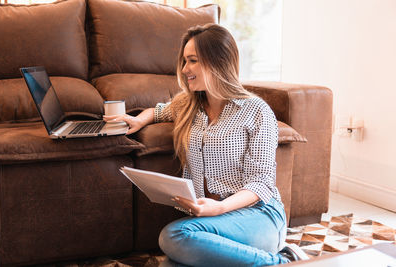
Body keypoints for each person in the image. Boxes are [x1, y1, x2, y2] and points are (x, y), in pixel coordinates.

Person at [104, 23, 308, 266]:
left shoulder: (257, 111)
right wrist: (138, 119)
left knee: (174, 236)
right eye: (183, 61)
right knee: (172, 263)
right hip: (213, 223)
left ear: (217, 62)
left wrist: (218, 209)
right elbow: (159, 112)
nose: (184, 69)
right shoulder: (188, 104)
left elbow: (261, 183)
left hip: (259, 215)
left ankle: (280, 262)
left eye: (192, 61)